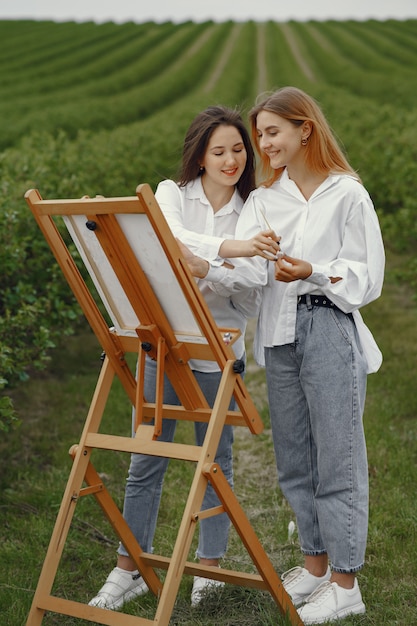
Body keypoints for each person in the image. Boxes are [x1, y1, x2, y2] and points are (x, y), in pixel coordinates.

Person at [183, 86, 385, 624]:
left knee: (337, 458)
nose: (263, 144)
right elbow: (251, 270)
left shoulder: (347, 194)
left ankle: (346, 583)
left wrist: (312, 271)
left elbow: (368, 277)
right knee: (294, 459)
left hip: (328, 326)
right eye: (260, 134)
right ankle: (315, 568)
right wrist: (209, 268)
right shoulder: (266, 200)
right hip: (280, 333)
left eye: (272, 132)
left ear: (305, 130)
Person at [89, 105, 264, 611]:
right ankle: (131, 567)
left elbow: (255, 289)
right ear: (200, 156)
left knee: (216, 461)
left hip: (218, 352)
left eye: (238, 150)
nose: (231, 160)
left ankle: (209, 568)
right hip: (162, 345)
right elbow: (167, 240)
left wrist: (204, 267)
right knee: (147, 457)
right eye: (219, 151)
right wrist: (230, 254)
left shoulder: (254, 208)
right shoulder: (170, 194)